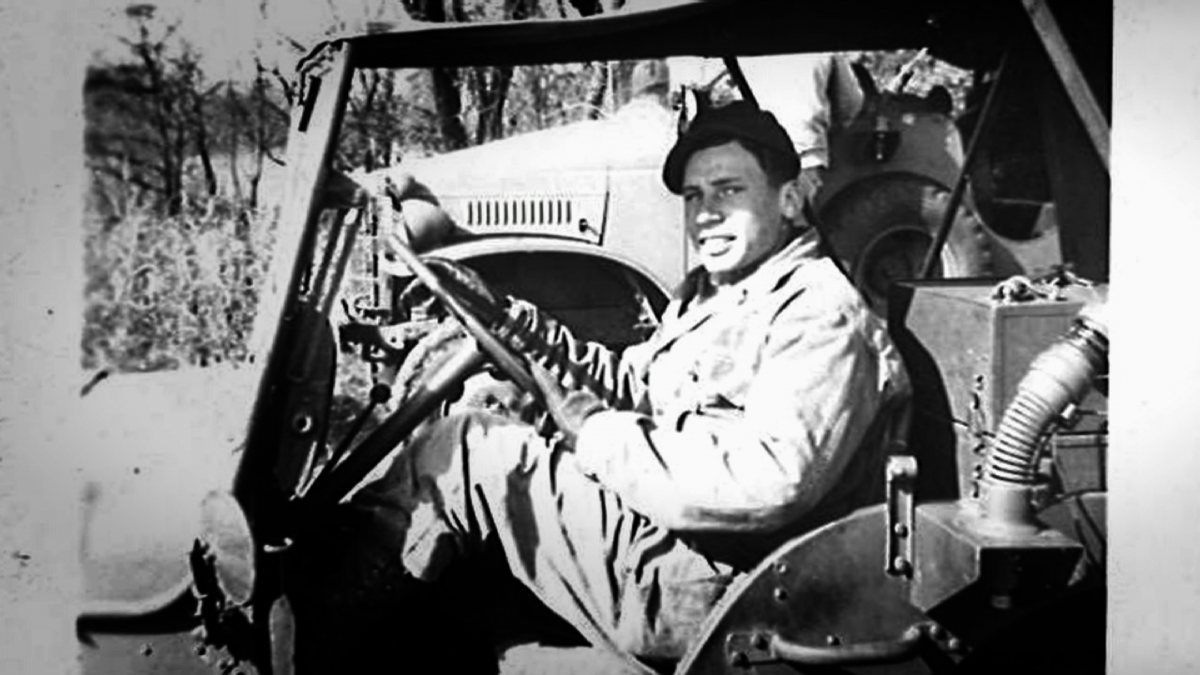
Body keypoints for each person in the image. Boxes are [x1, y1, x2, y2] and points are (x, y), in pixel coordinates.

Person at [288, 101, 910, 673]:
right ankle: (357, 600)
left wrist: (596, 436)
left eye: (729, 190)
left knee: (474, 449)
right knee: (486, 405)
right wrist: (517, 327)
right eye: (694, 196)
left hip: (721, 588)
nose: (706, 213)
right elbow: (635, 382)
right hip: (676, 541)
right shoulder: (719, 294)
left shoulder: (817, 315)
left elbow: (769, 482)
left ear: (791, 199)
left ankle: (307, 635)